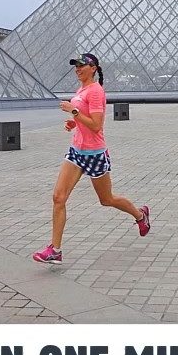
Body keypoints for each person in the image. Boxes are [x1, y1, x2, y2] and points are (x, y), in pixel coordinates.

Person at [33, 52, 151, 265]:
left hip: (95, 154)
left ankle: (140, 215)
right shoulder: (81, 89)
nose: (77, 69)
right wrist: (74, 123)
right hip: (76, 152)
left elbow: (96, 125)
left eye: (82, 65)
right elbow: (84, 120)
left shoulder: (96, 91)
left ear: (93, 68)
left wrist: (74, 110)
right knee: (58, 198)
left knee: (107, 200)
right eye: (75, 66)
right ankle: (55, 250)